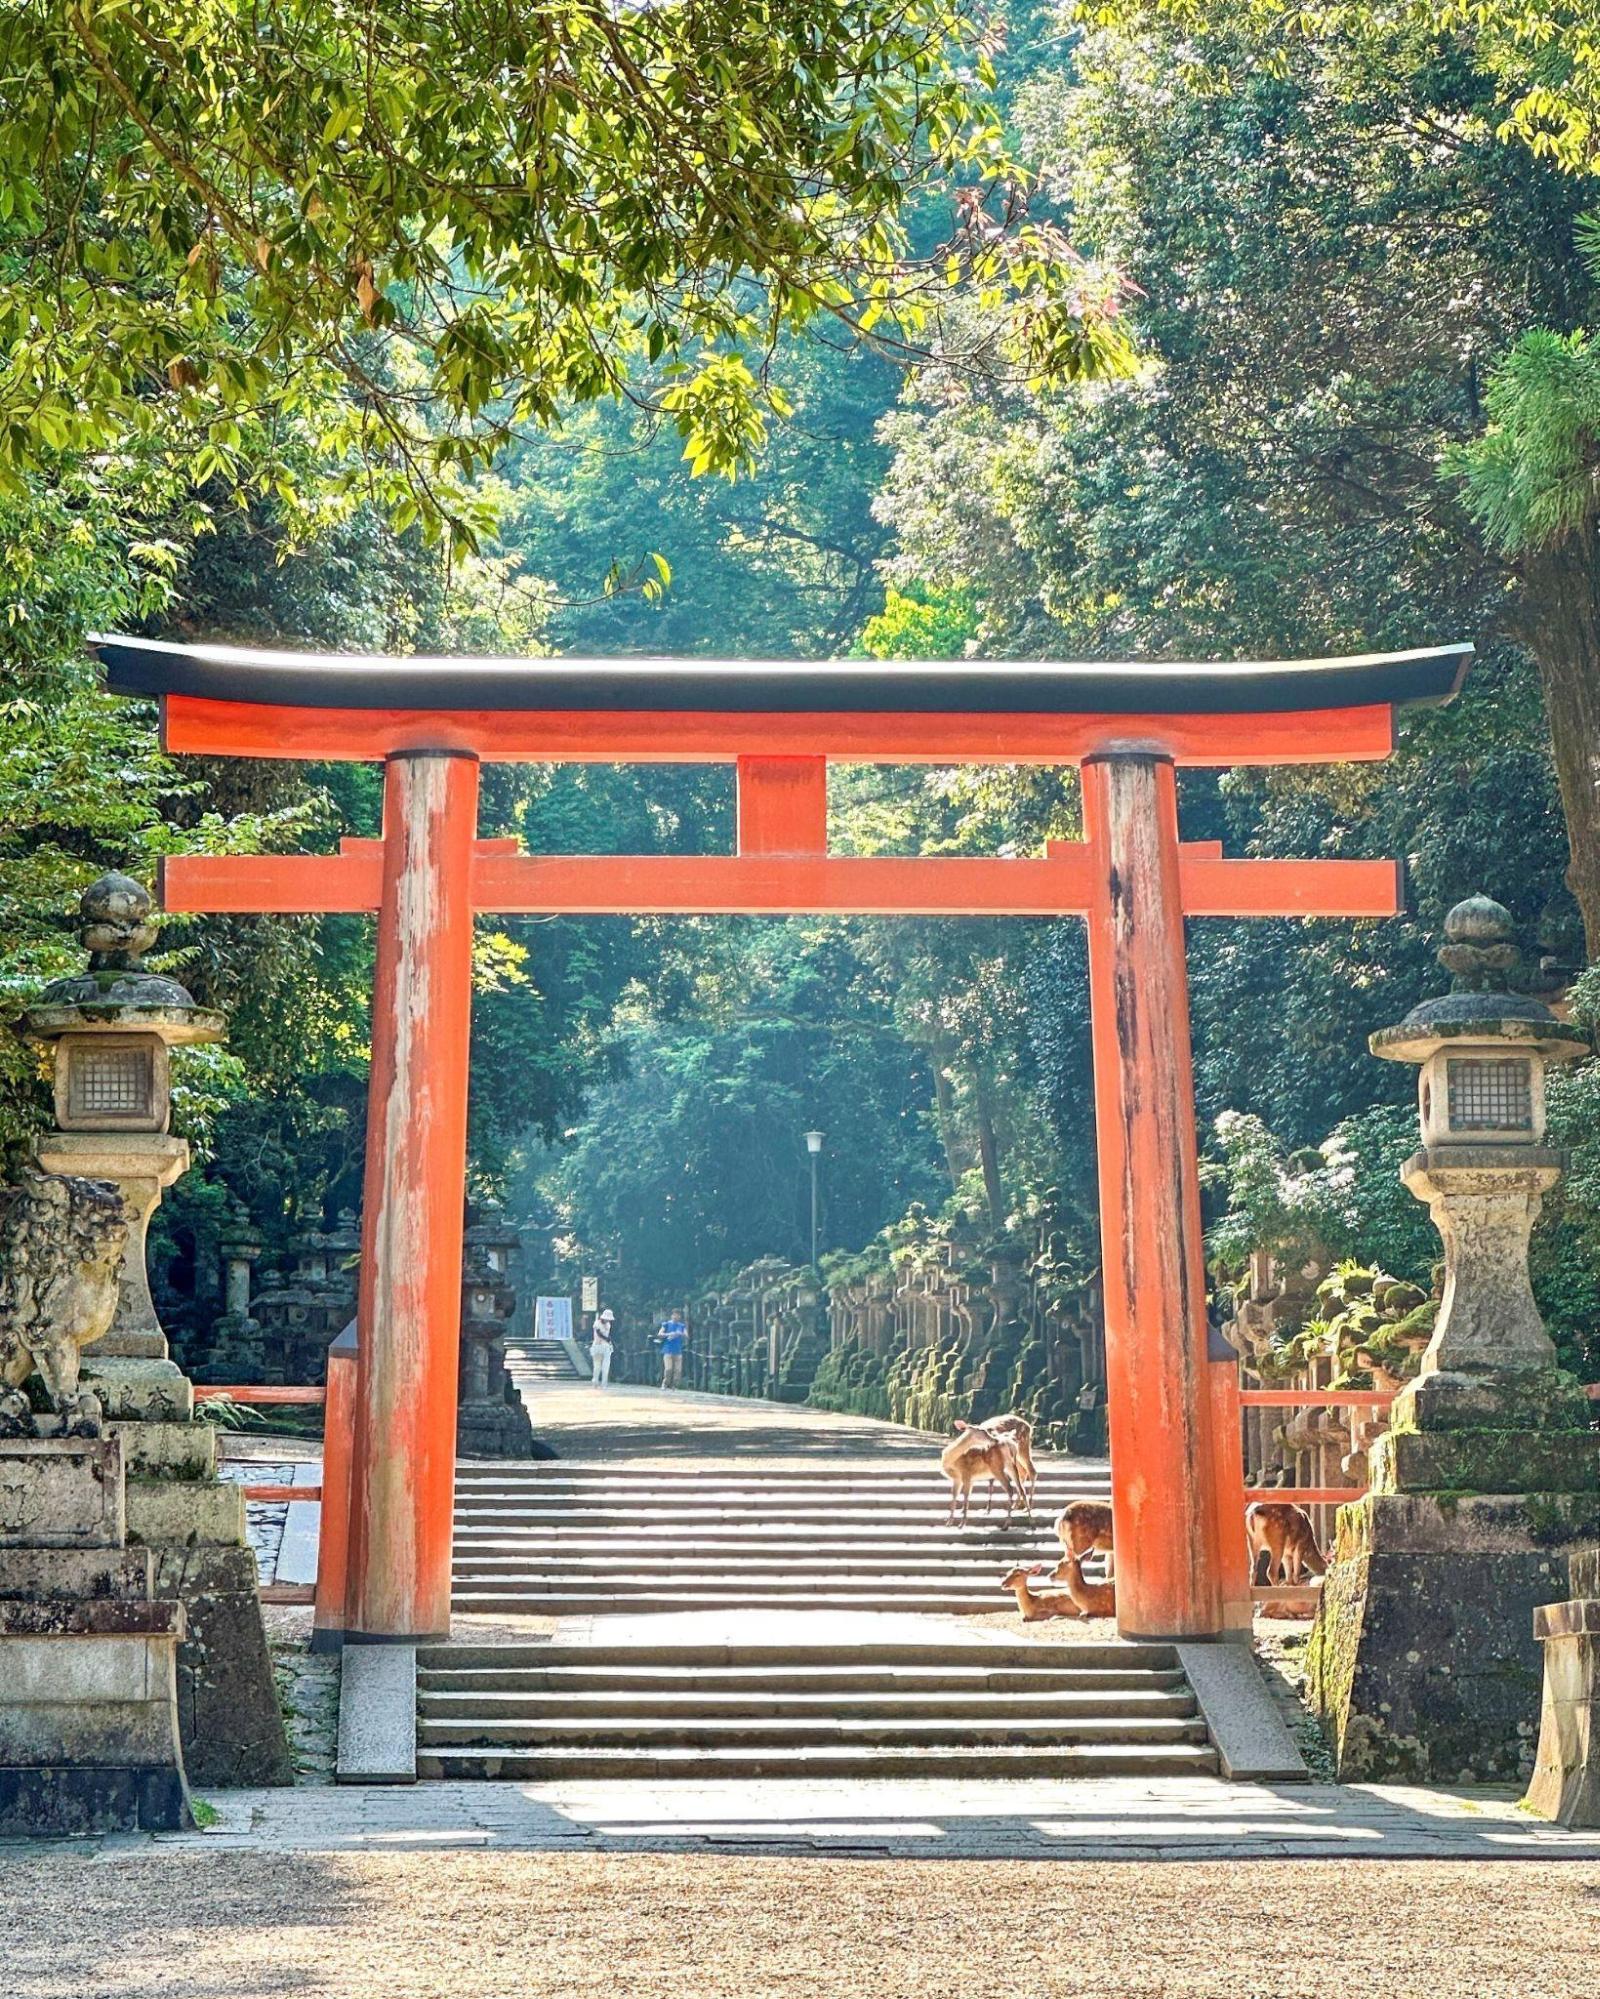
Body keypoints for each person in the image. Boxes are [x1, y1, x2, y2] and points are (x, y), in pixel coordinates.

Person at [656, 1308, 688, 1390]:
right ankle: (665, 1383)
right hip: (668, 1350)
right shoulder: (666, 1324)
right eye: (674, 1315)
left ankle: (674, 1385)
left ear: (680, 1316)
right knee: (668, 1369)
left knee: (678, 1370)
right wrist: (669, 1334)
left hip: (678, 1350)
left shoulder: (681, 1326)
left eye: (678, 1315)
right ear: (671, 1315)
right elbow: (660, 1334)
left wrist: (679, 1334)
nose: (676, 1316)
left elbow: (686, 1335)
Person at [589, 1306, 615, 1387]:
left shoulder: (606, 1324)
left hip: (604, 1346)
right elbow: (599, 1333)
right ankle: (596, 1381)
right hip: (598, 1346)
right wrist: (607, 1339)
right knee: (597, 1366)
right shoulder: (597, 1323)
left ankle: (603, 1383)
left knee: (605, 1366)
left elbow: (601, 1333)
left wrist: (607, 1339)